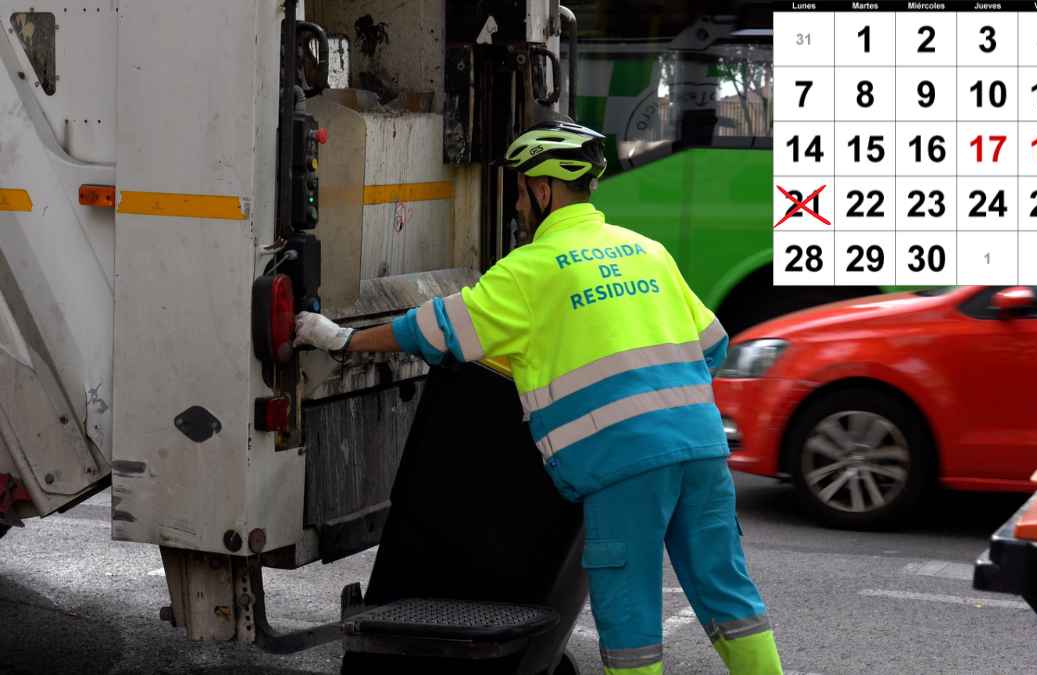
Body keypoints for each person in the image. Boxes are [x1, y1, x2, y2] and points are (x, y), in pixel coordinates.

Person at [293, 118, 783, 675]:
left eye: (521, 190)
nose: (518, 205)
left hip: (625, 465)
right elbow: (712, 345)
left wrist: (342, 338)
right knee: (729, 596)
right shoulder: (647, 251)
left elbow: (432, 330)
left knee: (631, 617)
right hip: (701, 450)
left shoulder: (531, 270)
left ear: (543, 190)